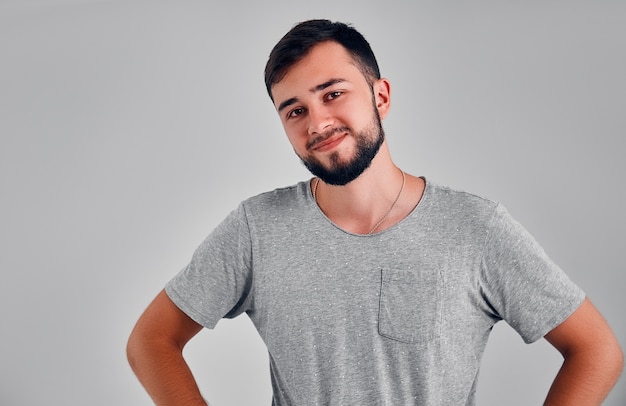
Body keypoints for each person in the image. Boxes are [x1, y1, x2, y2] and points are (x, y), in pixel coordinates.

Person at [127, 19, 623, 405]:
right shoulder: (257, 229)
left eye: (333, 93)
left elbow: (596, 351)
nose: (318, 121)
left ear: (380, 96)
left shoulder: (475, 229)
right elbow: (152, 340)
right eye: (294, 109)